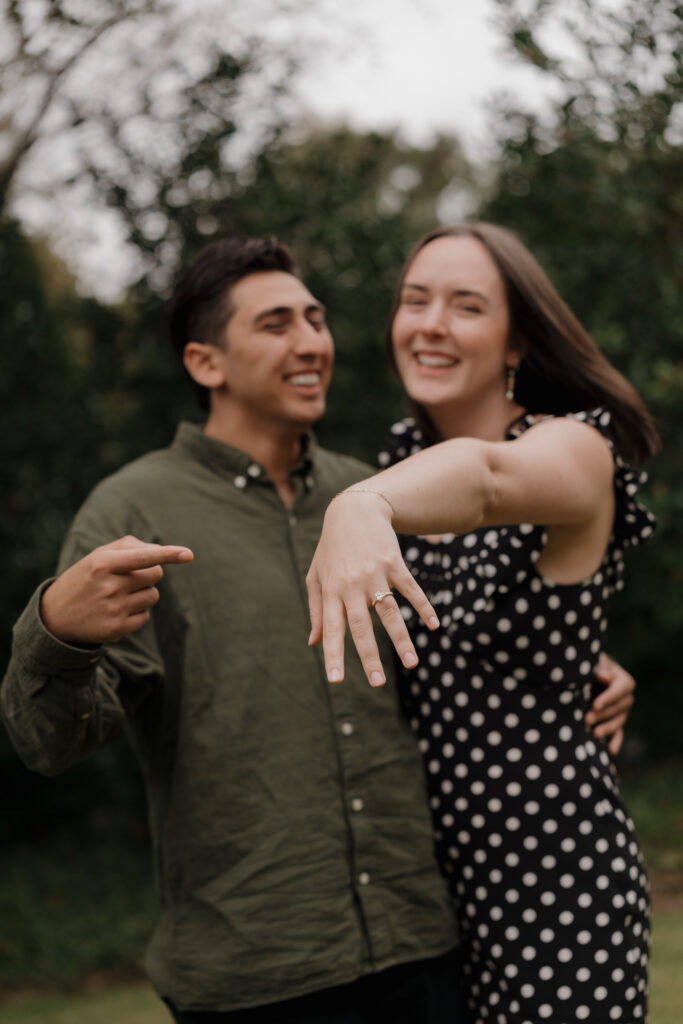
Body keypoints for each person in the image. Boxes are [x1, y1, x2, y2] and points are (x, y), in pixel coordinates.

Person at [1, 233, 633, 1022]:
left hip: (424, 949)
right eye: (276, 325)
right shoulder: (132, 513)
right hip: (260, 970)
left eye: (315, 319)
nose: (311, 343)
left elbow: (477, 610)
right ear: (204, 363)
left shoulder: (372, 491)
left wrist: (578, 657)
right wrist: (58, 633)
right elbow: (49, 742)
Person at [306, 223, 657, 1024]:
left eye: (465, 306)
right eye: (414, 300)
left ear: (516, 340)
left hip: (556, 886)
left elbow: (489, 479)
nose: (430, 324)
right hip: (418, 900)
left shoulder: (573, 447)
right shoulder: (399, 459)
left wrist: (363, 504)